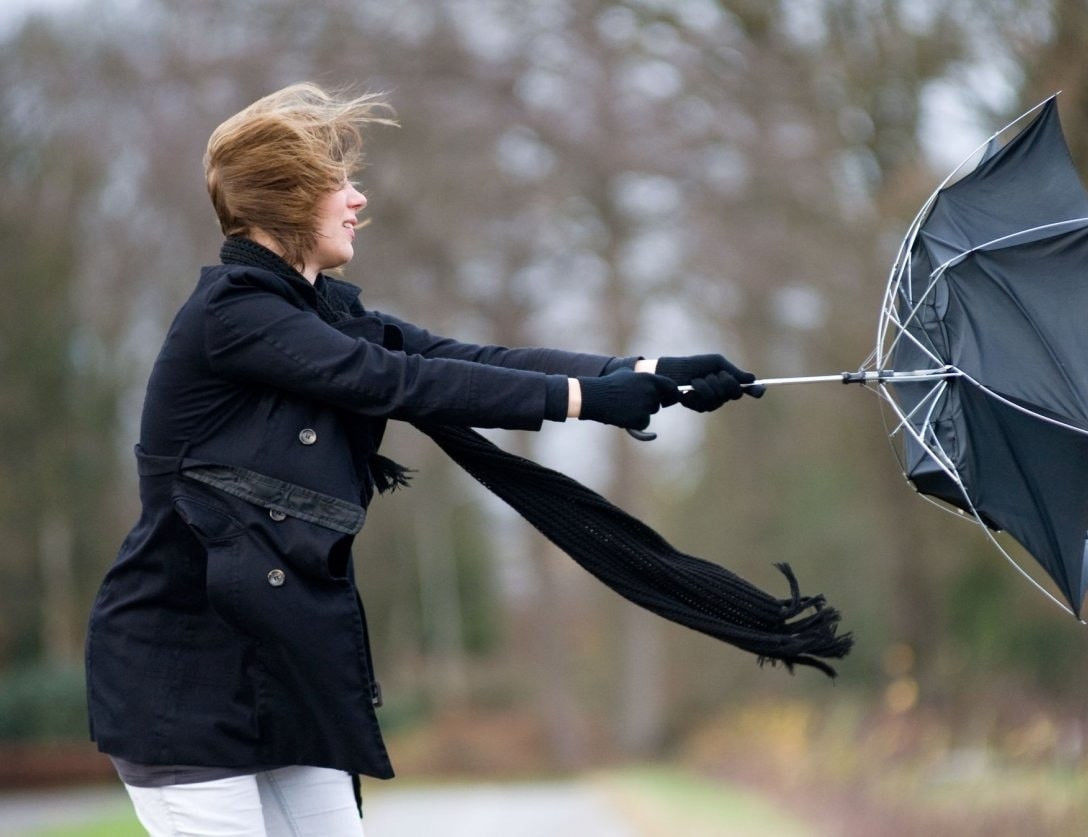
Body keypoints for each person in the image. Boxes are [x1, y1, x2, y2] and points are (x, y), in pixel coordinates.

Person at [84, 83, 763, 836]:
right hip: (183, 681)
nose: (357, 199)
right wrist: (582, 400)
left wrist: (642, 371)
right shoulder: (233, 317)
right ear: (288, 199)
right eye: (338, 183)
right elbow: (397, 381)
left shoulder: (322, 310)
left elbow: (457, 355)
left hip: (281, 673)